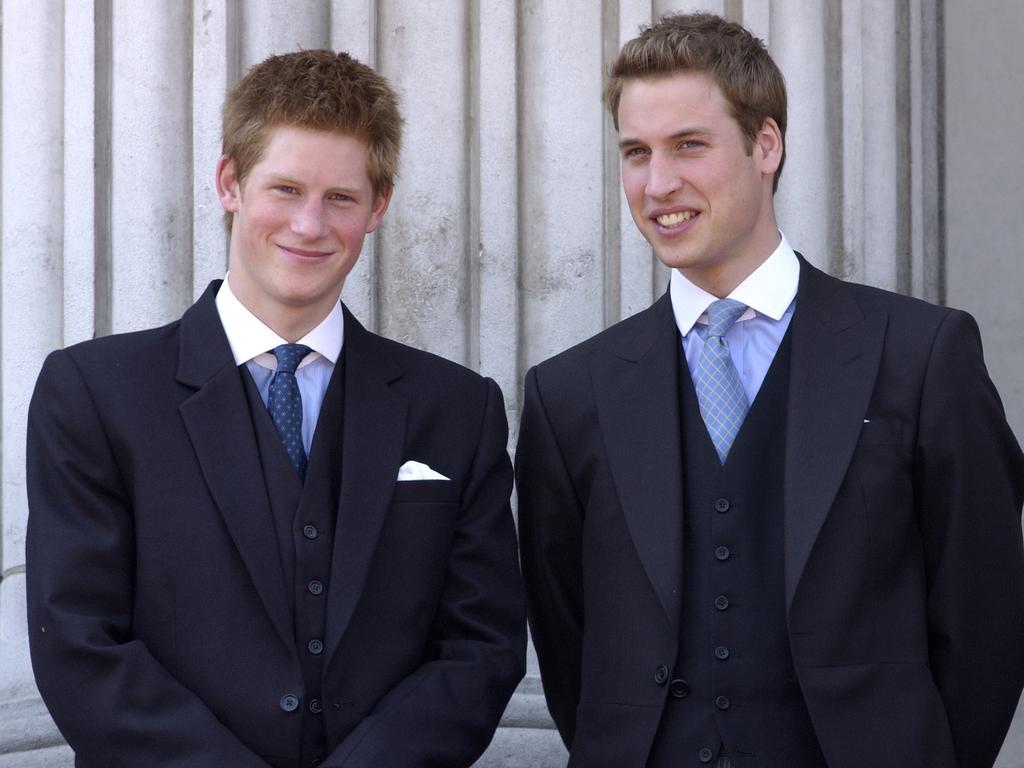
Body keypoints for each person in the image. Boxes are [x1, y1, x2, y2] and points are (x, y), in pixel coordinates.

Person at [516, 13, 1024, 768]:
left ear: (766, 145)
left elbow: (985, 615)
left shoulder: (922, 355)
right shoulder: (567, 395)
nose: (658, 184)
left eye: (689, 145)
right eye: (635, 152)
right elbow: (569, 643)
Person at [26, 49, 525, 768]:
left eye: (341, 198)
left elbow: (482, 645)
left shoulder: (456, 409)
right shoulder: (94, 393)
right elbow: (77, 642)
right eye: (285, 189)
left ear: (378, 206)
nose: (309, 225)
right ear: (230, 182)